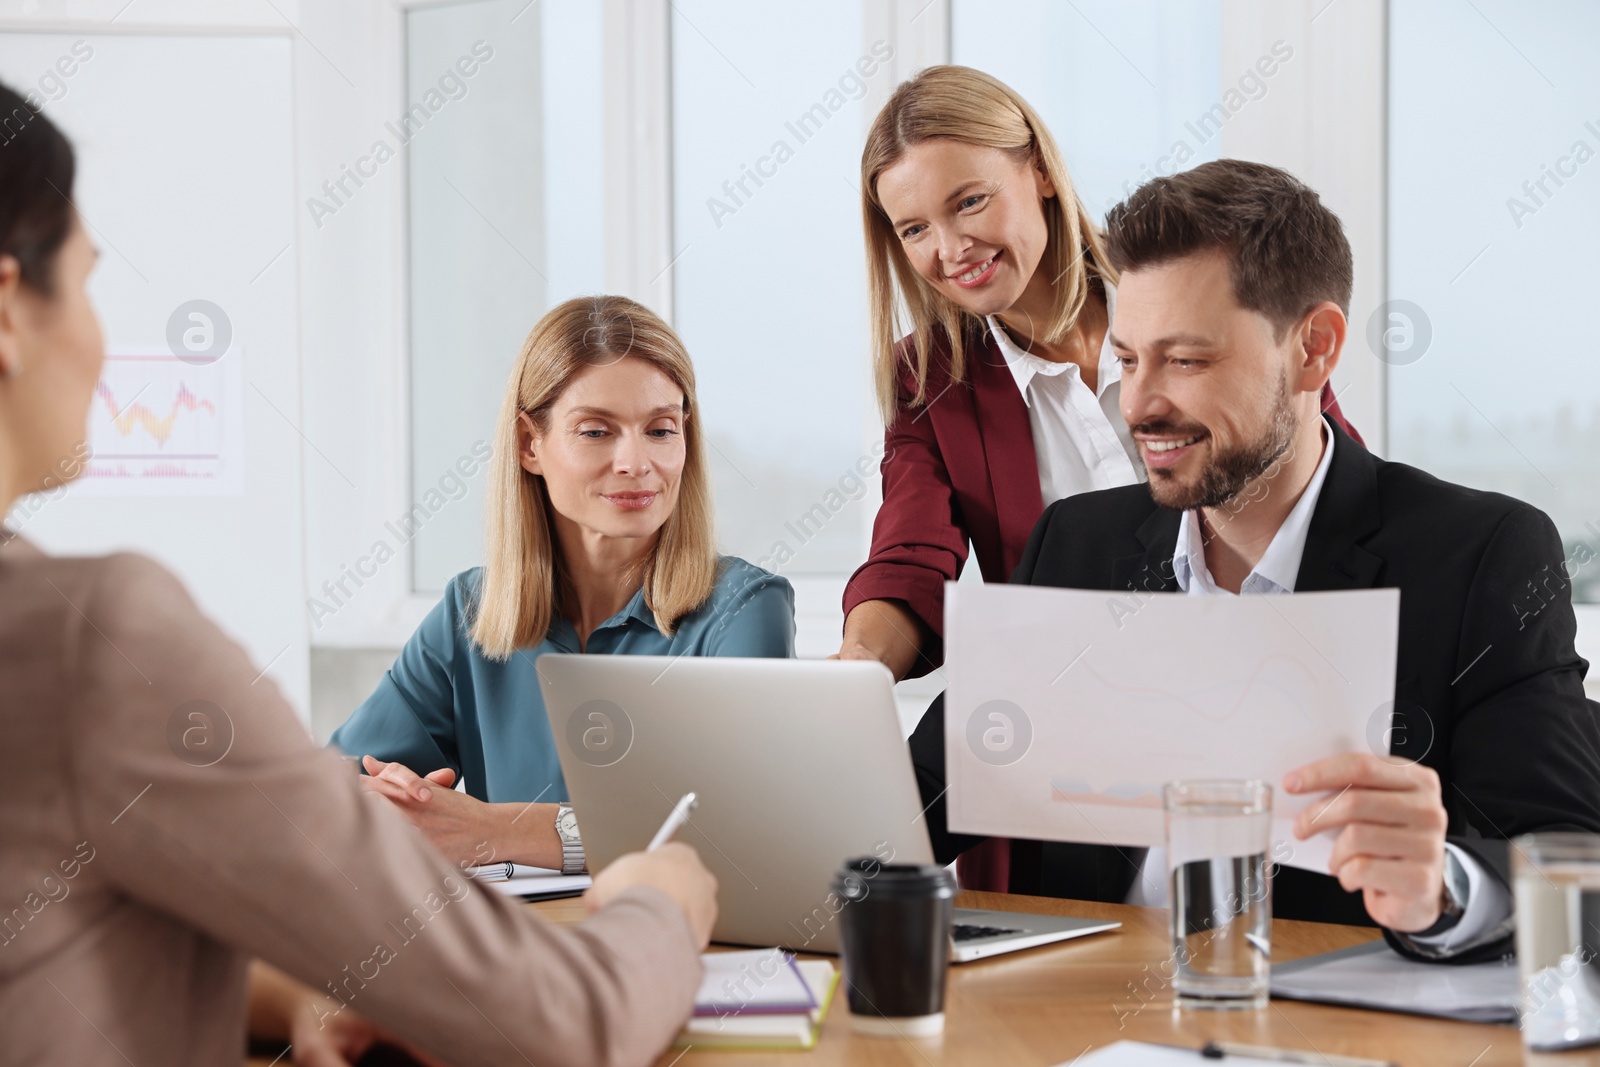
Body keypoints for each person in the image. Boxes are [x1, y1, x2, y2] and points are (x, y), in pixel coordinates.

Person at [0, 83, 717, 1066]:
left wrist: (288, 989)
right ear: (8, 305)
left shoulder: (736, 599)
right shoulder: (91, 635)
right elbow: (565, 1022)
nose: (98, 341)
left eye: (659, 428)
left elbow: (57, 949)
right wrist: (658, 902)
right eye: (84, 285)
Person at [909, 158, 1600, 963]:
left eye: (1187, 361)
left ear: (1315, 349)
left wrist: (1444, 883)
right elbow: (916, 796)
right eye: (1128, 360)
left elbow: (1575, 864)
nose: (1138, 404)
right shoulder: (1078, 546)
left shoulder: (1479, 557)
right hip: (1082, 1017)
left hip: (1328, 1032)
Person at [836, 64, 1362, 890]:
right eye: (912, 229)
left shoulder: (1187, 291)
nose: (949, 249)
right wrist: (855, 673)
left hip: (1260, 702)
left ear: (1038, 171)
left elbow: (1324, 488)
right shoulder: (934, 375)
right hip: (1072, 744)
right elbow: (911, 550)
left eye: (969, 201)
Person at [332, 295, 795, 873]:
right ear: (530, 444)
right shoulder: (469, 610)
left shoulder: (744, 611)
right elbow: (329, 792)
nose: (636, 461)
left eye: (660, 429)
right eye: (597, 431)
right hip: (511, 951)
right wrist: (398, 805)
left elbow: (746, 826)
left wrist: (495, 830)